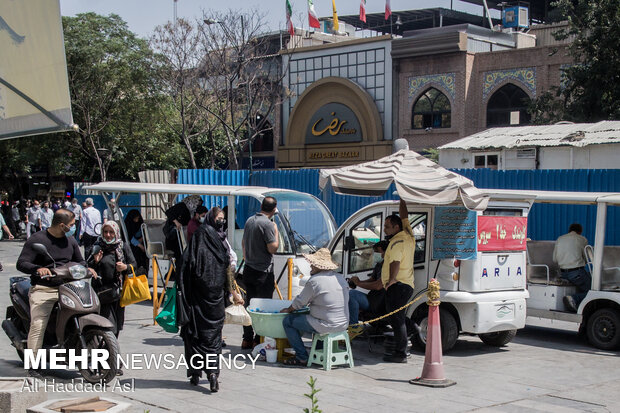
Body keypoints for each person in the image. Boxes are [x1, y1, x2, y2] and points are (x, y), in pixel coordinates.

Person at [177, 207, 244, 391]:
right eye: (219, 219)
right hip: (213, 302)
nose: (221, 222)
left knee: (195, 337)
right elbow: (227, 270)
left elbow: (184, 266)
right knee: (213, 339)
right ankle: (213, 374)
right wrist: (233, 292)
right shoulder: (220, 244)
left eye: (223, 219)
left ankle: (196, 372)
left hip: (198, 301)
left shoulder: (198, 240)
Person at [16, 209, 95, 356]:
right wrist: (38, 269)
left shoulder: (70, 240)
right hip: (44, 288)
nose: (74, 227)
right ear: (61, 225)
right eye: (71, 225)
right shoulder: (37, 239)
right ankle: (33, 364)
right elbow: (21, 263)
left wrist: (87, 268)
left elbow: (80, 261)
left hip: (69, 287)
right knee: (38, 324)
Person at [280, 248, 349, 366]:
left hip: (326, 324)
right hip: (343, 324)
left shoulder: (315, 281)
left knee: (288, 321)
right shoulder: (340, 278)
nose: (311, 266)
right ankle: (319, 351)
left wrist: (288, 310)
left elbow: (299, 303)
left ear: (319, 266)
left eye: (313, 264)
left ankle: (302, 357)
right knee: (313, 317)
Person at [241, 196, 279, 349]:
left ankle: (247, 338)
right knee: (263, 308)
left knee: (249, 305)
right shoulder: (269, 225)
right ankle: (259, 339)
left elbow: (244, 243)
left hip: (249, 269)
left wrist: (248, 257)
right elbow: (272, 248)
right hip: (263, 272)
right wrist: (275, 232)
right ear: (274, 209)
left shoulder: (250, 220)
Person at [89, 221, 136, 344]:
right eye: (105, 232)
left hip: (119, 293)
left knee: (117, 324)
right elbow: (86, 267)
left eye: (111, 232)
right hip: (102, 292)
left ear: (116, 233)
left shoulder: (122, 246)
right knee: (108, 324)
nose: (108, 235)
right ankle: (107, 353)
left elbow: (134, 265)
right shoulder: (97, 247)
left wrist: (125, 267)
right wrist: (95, 262)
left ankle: (111, 353)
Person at [381, 199, 415, 363]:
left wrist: (391, 280)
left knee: (396, 319)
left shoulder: (396, 243)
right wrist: (402, 198)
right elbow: (404, 216)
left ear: (396, 228)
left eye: (387, 226)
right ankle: (413, 329)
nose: (384, 229)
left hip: (398, 285)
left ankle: (400, 353)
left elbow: (395, 262)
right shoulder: (408, 234)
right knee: (397, 316)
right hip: (406, 284)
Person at [347, 240, 389, 334]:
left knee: (352, 295)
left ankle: (353, 327)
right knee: (352, 295)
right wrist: (357, 282)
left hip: (379, 302)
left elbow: (378, 285)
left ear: (384, 251)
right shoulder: (379, 265)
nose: (375, 254)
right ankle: (352, 325)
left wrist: (358, 284)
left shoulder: (388, 266)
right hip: (373, 298)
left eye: (377, 252)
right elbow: (372, 280)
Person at [553, 223, 591, 312]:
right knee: (593, 291)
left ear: (569, 230)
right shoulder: (582, 239)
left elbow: (554, 259)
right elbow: (587, 257)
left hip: (562, 273)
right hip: (576, 273)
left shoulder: (560, 239)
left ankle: (576, 305)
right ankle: (574, 298)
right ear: (580, 231)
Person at [163, 200, 192, 277]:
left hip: (180, 239)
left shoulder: (189, 211)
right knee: (177, 255)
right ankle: (174, 274)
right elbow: (168, 212)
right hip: (173, 238)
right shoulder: (181, 206)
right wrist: (176, 222)